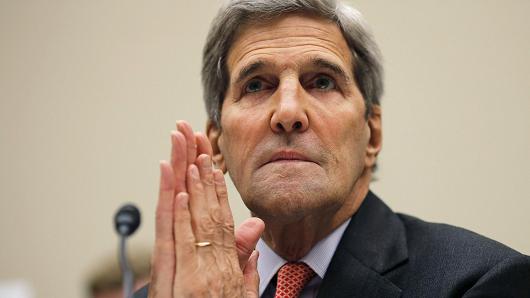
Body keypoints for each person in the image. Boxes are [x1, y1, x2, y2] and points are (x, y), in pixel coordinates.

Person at [135, 0, 530, 297]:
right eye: (257, 85)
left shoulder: (483, 282)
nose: (288, 113)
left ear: (372, 135)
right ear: (217, 142)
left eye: (321, 82)